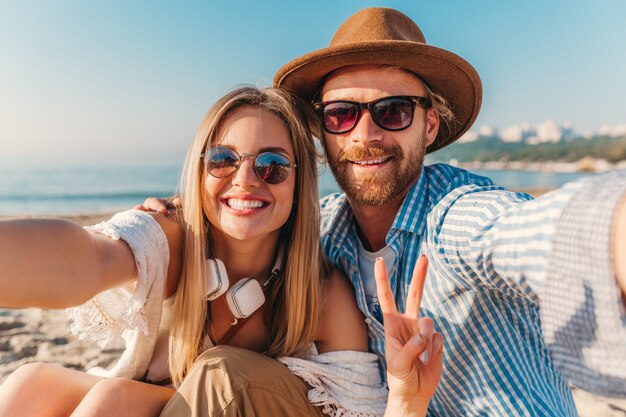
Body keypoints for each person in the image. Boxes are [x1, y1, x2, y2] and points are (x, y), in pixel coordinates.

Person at [144, 7, 626, 417]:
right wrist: (184, 211)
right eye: (342, 115)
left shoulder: (457, 217)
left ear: (430, 124)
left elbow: (537, 232)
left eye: (393, 111)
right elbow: (247, 212)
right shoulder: (325, 230)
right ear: (324, 132)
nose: (365, 135)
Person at [0, 86, 443, 417]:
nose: (245, 179)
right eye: (223, 160)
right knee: (30, 384)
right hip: (169, 398)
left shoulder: (321, 292)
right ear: (200, 172)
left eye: (272, 165)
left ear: (298, 183)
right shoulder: (173, 237)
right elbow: (92, 258)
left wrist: (407, 398)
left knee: (123, 398)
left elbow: (360, 409)